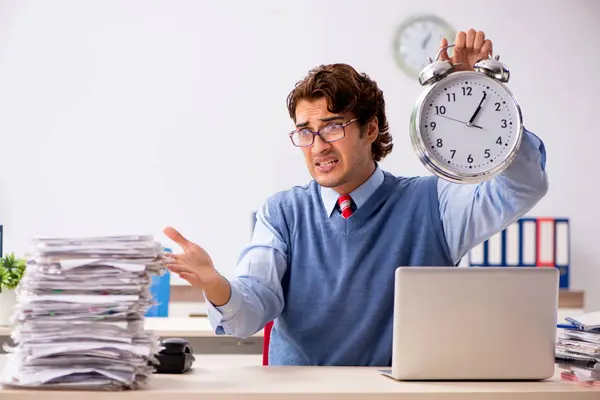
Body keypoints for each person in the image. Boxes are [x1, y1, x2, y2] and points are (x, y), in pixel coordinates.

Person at [163, 29, 548, 366]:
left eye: (332, 127)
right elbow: (249, 312)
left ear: (370, 129)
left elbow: (524, 186)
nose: (317, 146)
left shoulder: (435, 203)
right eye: (305, 131)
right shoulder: (282, 213)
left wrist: (483, 93)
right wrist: (215, 283)